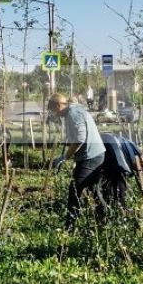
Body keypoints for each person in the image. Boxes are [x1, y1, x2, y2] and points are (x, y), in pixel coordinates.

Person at [48, 93, 107, 228]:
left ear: (58, 106)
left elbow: (80, 139)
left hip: (90, 156)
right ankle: (104, 220)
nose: (54, 114)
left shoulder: (73, 114)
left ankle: (69, 226)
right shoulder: (73, 110)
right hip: (95, 154)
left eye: (53, 110)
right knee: (93, 189)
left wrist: (65, 157)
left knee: (75, 189)